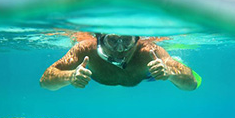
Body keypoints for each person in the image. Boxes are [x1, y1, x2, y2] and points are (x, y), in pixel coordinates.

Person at [40, 33, 200, 91]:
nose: (120, 48)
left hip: (149, 73)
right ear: (100, 39)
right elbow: (45, 81)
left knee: (174, 66)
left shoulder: (148, 51)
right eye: (113, 40)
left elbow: (192, 84)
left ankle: (174, 62)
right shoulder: (85, 49)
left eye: (126, 40)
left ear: (137, 40)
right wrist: (70, 76)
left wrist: (170, 72)